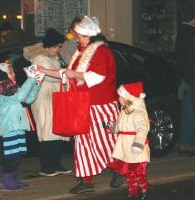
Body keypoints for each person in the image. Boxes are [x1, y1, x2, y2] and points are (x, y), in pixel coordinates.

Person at [36, 16, 121, 194]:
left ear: (90, 35)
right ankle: (86, 180)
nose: (76, 38)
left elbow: (97, 77)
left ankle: (119, 170)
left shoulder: (102, 52)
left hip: (102, 106)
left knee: (105, 142)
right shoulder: (80, 52)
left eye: (80, 35)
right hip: (83, 105)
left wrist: (73, 74)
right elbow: (69, 74)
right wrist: (43, 71)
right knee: (83, 143)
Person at [23, 28, 72, 177]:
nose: (59, 49)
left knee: (56, 132)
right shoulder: (39, 59)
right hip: (43, 98)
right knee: (47, 133)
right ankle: (47, 166)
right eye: (58, 46)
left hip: (53, 98)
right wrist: (64, 74)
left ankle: (56, 164)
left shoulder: (52, 58)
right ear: (51, 46)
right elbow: (51, 77)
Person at [0, 60, 41, 191]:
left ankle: (12, 179)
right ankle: (6, 181)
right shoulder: (2, 89)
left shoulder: (12, 87)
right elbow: (20, 97)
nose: (14, 74)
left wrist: (36, 83)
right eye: (10, 72)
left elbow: (28, 99)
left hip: (18, 125)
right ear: (3, 76)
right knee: (11, 155)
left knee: (17, 154)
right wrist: (31, 79)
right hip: (10, 127)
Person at [108, 82, 150, 200]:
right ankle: (133, 190)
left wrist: (138, 143)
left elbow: (142, 129)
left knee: (137, 171)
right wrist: (112, 126)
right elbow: (120, 126)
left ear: (129, 98)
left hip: (135, 146)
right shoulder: (123, 111)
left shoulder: (138, 113)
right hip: (125, 146)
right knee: (129, 172)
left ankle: (143, 189)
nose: (118, 99)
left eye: (121, 96)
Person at [174, 1, 195, 157]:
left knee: (188, 111)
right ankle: (186, 142)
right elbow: (192, 60)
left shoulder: (181, 33)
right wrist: (190, 79)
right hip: (193, 80)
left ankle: (185, 141)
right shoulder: (193, 35)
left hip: (185, 79)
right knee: (191, 112)